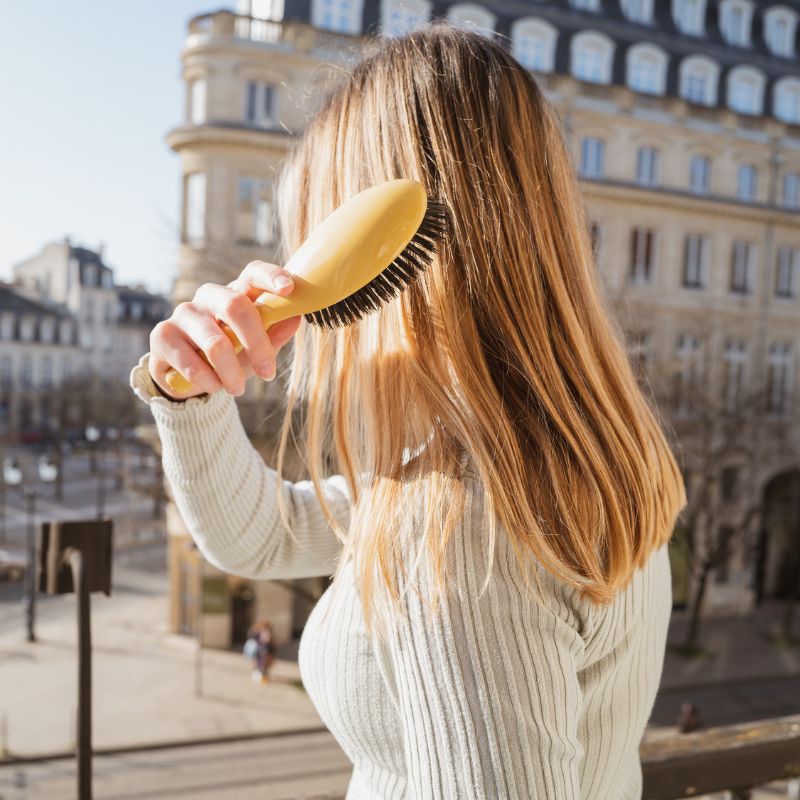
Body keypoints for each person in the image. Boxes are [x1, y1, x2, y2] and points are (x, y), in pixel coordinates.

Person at [130, 22, 687, 800]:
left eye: (310, 233)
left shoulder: (462, 526)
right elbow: (262, 535)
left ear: (381, 265)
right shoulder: (563, 455)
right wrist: (190, 397)